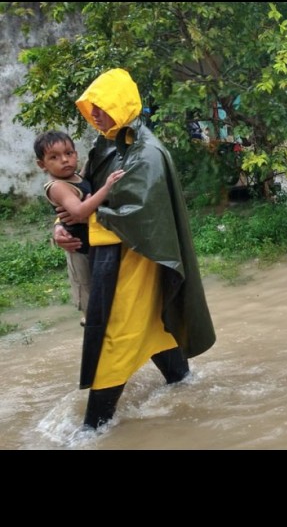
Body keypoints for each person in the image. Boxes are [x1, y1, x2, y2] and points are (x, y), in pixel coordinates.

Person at [52, 68, 216, 430]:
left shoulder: (147, 153)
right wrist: (61, 228)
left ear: (122, 104)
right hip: (118, 257)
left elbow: (141, 215)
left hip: (140, 259)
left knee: (115, 337)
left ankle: (92, 428)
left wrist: (83, 221)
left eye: (103, 106)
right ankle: (183, 382)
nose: (95, 114)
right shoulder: (107, 145)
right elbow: (83, 196)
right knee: (155, 323)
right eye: (92, 107)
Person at [33, 131, 125, 326]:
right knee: (88, 291)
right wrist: (106, 187)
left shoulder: (76, 176)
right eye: (54, 157)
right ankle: (90, 323)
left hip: (94, 244)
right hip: (79, 249)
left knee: (103, 292)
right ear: (42, 164)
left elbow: (83, 188)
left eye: (69, 153)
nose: (64, 160)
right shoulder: (57, 186)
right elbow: (80, 212)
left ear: (76, 153)